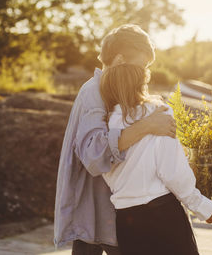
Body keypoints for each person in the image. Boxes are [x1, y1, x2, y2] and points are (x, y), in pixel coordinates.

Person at [99, 24, 212, 255]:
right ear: (142, 79)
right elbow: (173, 172)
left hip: (126, 223)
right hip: (162, 219)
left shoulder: (107, 124)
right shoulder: (158, 113)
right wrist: (205, 208)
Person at [53, 24, 177, 255]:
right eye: (141, 66)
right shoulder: (95, 91)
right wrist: (148, 125)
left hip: (110, 209)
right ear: (120, 60)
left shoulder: (114, 89)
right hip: (100, 208)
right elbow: (93, 153)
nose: (143, 75)